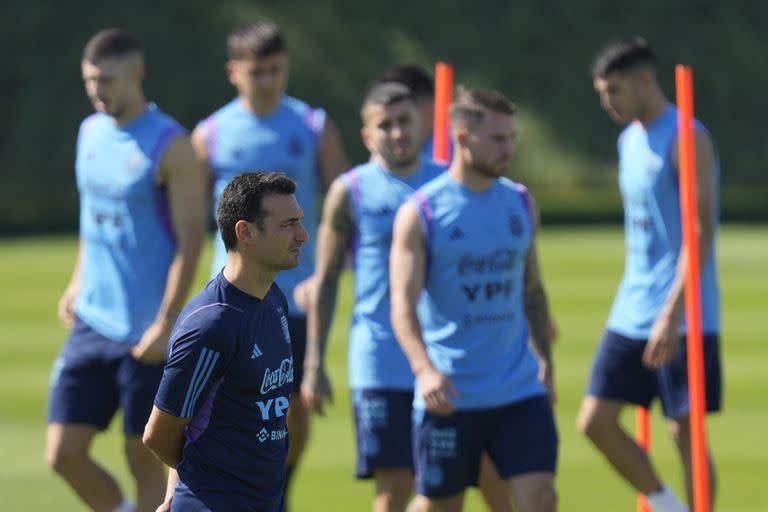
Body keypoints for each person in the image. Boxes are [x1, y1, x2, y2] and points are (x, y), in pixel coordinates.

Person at [46, 28, 206, 512]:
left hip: (146, 331)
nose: (97, 90)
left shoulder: (171, 145)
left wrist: (166, 322)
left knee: (142, 456)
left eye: (107, 80)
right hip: (92, 322)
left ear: (136, 74)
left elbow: (191, 241)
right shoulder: (89, 131)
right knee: (63, 454)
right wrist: (77, 280)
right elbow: (91, 218)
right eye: (90, 80)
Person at [190, 21, 348, 505]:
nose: (267, 81)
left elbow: (343, 205)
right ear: (234, 72)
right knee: (231, 405)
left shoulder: (312, 126)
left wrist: (324, 271)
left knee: (295, 406)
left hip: (298, 294)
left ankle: (280, 486)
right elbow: (191, 219)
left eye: (275, 70)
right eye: (256, 71)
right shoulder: (211, 134)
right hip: (235, 296)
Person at [389, 87, 558, 512]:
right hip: (451, 393)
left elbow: (531, 290)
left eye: (511, 137)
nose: (509, 148)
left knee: (540, 497)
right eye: (498, 139)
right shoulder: (422, 212)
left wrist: (547, 363)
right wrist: (424, 371)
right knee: (441, 505)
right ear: (462, 139)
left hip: (518, 391)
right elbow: (402, 304)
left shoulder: (520, 202)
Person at [577, 37, 721, 512]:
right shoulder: (628, 140)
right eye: (601, 93)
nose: (606, 103)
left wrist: (672, 313)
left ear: (643, 80)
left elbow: (699, 232)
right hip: (631, 305)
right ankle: (668, 506)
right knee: (595, 420)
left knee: (682, 430)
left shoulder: (686, 136)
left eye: (613, 90)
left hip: (683, 310)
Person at [301, 82, 444, 511]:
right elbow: (324, 280)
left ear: (422, 125)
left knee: (448, 485)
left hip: (441, 355)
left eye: (405, 122)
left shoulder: (445, 183)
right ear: (367, 136)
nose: (398, 133)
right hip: (379, 359)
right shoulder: (351, 191)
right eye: (385, 125)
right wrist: (314, 363)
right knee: (395, 486)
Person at [143, 171, 308, 511]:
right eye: (288, 225)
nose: (303, 235)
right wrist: (195, 481)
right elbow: (160, 433)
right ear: (245, 232)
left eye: (300, 222)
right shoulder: (212, 324)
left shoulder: (274, 299)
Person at [375, 64, 453, 163]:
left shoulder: (460, 148)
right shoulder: (385, 157)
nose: (398, 133)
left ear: (429, 109)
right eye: (386, 125)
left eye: (404, 119)